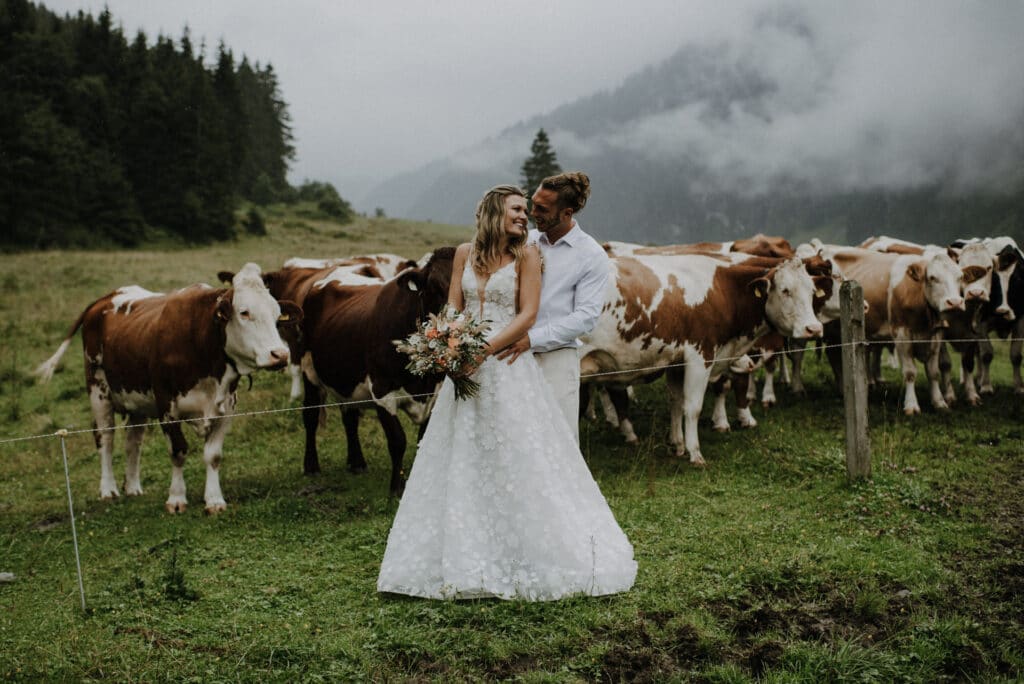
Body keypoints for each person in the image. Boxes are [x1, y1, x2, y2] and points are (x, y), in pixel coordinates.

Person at [377, 184, 636, 601]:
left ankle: (529, 551)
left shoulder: (527, 254)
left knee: (519, 453)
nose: (525, 217)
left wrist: (484, 350)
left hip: (508, 363)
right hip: (465, 362)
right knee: (462, 453)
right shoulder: (464, 253)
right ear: (495, 211)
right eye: (518, 209)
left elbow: (528, 313)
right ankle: (459, 553)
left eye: (528, 211)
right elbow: (453, 307)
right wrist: (447, 343)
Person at [494, 172, 609, 443]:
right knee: (512, 440)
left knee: (557, 443)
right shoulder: (523, 241)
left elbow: (586, 318)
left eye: (542, 209)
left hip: (555, 361)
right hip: (510, 358)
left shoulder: (591, 255)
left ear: (566, 212)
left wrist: (531, 339)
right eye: (533, 204)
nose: (532, 213)